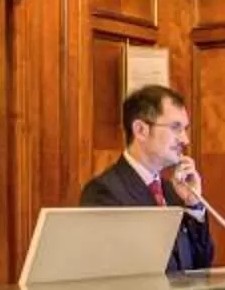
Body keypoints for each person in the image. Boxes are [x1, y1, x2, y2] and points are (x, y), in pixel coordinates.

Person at [79, 84, 215, 273]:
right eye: (175, 128)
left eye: (185, 129)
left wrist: (193, 204)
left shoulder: (174, 191)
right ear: (141, 130)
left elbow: (202, 265)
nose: (185, 140)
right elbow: (112, 271)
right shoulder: (103, 192)